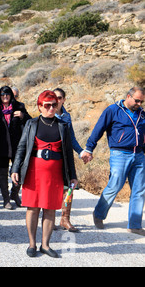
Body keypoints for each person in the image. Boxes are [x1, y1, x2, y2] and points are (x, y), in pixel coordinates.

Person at [11, 90, 78, 258]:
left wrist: (73, 176)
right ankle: (32, 244)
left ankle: (46, 245)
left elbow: (68, 153)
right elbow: (21, 147)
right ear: (39, 106)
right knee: (32, 208)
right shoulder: (31, 124)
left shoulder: (63, 125)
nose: (51, 108)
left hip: (55, 174)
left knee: (49, 209)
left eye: (54, 105)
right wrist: (15, 169)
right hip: (33, 172)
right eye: (47, 105)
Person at [81, 87, 145, 236]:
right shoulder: (113, 110)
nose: (139, 103)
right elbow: (98, 129)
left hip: (139, 155)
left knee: (139, 190)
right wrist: (89, 148)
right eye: (136, 100)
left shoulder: (142, 114)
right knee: (115, 186)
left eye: (141, 101)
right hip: (120, 154)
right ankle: (99, 214)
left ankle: (135, 225)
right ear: (128, 96)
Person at [0, 86, 31, 209]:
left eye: (7, 94)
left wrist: (23, 116)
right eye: (2, 94)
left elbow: (30, 122)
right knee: (2, 172)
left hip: (17, 145)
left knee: (18, 170)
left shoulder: (19, 106)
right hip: (1, 144)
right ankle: (6, 198)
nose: (5, 96)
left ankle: (15, 193)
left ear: (11, 95)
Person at [53, 88, 83, 232]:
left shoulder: (67, 117)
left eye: (60, 98)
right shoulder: (47, 115)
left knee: (69, 188)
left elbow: (72, 139)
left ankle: (65, 219)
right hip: (52, 158)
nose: (57, 100)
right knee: (51, 189)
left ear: (64, 99)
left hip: (66, 158)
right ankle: (49, 219)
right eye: (54, 97)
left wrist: (81, 151)